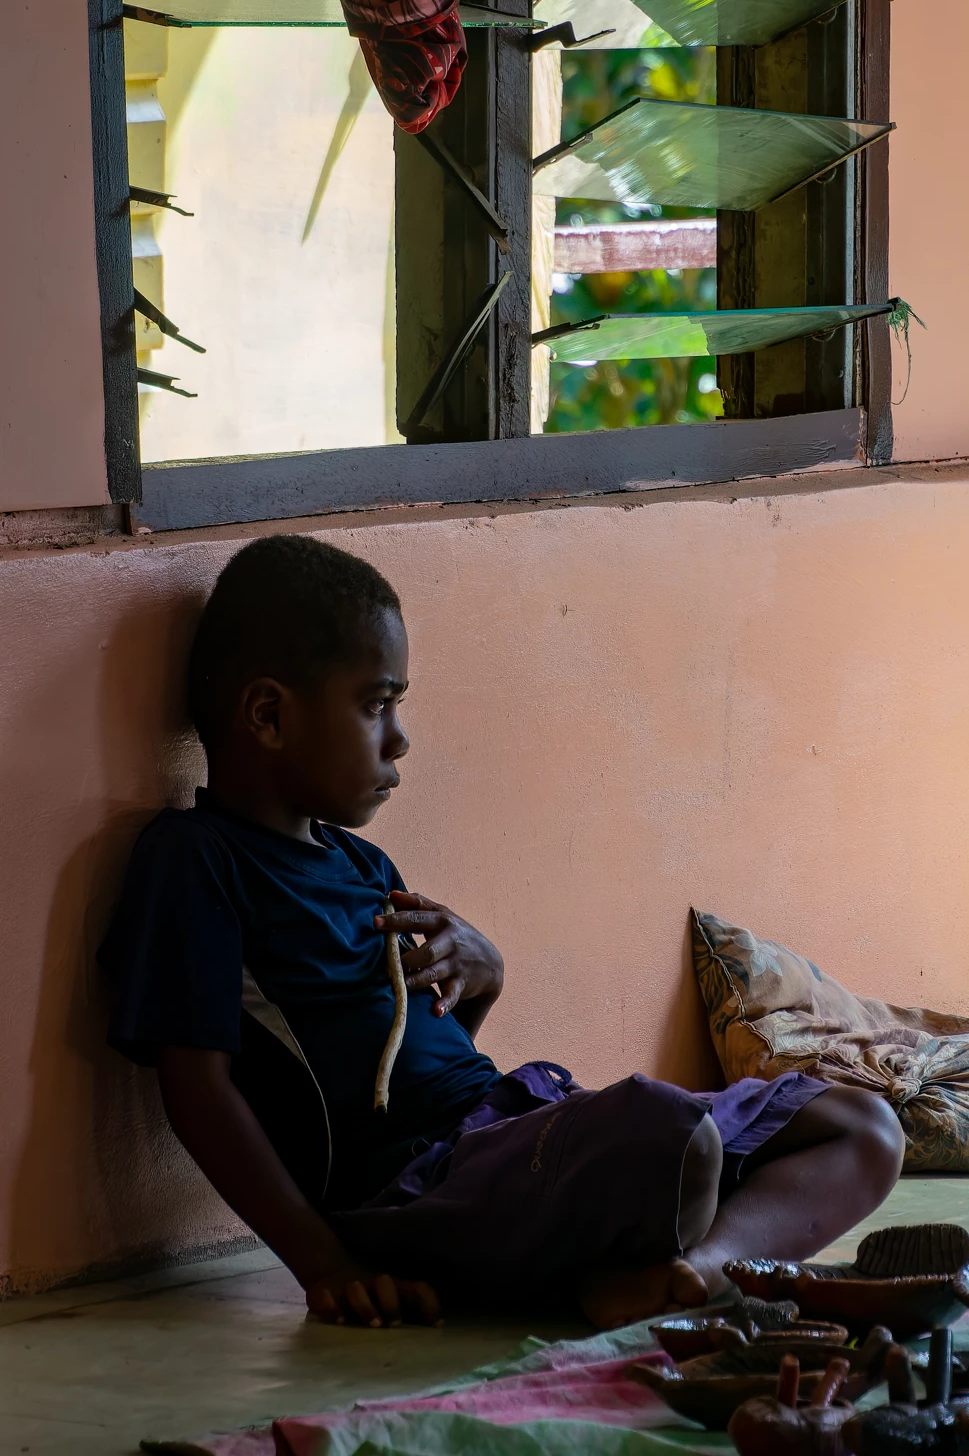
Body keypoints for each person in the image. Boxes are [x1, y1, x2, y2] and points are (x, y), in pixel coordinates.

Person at [99, 535, 905, 1330]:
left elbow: (414, 1054)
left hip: (499, 1129)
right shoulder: (195, 860)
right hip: (412, 1188)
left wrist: (482, 981)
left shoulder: (361, 861)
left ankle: (687, 1276)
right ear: (269, 715)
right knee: (666, 1136)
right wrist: (327, 1266)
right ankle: (672, 1272)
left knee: (863, 1127)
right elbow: (196, 1090)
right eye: (377, 705)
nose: (399, 739)